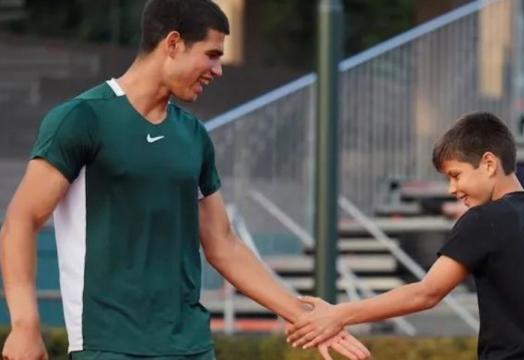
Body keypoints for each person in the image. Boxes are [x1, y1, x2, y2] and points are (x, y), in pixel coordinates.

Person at [0, 1, 369, 359]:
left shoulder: (192, 134)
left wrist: (304, 316)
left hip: (191, 346)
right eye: (211, 54)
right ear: (173, 43)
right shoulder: (81, 119)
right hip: (108, 346)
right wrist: (25, 325)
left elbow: (223, 244)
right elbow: (21, 221)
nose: (218, 69)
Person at [286, 112, 524, 360]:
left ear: (489, 163)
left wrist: (339, 313)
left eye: (456, 175)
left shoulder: (482, 219)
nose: (452, 189)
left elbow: (426, 293)